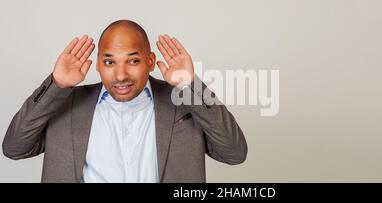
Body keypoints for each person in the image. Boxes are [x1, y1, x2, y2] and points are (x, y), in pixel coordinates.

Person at [2, 20, 247, 183]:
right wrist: (57, 84)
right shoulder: (65, 103)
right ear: (98, 64)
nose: (120, 75)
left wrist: (189, 84)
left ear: (150, 62)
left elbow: (234, 153)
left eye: (133, 61)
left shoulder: (184, 101)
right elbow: (14, 148)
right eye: (109, 62)